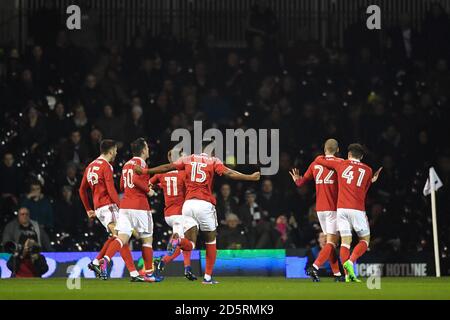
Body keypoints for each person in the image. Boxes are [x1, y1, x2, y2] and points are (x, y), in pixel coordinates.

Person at [134, 140, 261, 284]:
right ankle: (207, 278)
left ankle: (179, 242)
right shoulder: (213, 160)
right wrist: (250, 177)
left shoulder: (188, 159)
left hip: (187, 205)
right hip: (204, 204)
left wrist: (145, 171)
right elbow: (229, 173)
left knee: (190, 243)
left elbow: (167, 167)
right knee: (210, 241)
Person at [315, 143, 382, 282]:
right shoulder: (368, 170)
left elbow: (320, 161)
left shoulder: (341, 164)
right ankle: (350, 262)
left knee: (345, 243)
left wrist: (323, 155)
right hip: (357, 209)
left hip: (341, 209)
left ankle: (347, 275)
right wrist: (372, 180)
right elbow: (365, 189)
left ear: (349, 154)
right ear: (362, 156)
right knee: (365, 240)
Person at [78, 139, 143, 282]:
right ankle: (103, 263)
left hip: (99, 208)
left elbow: (82, 190)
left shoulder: (90, 166)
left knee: (116, 237)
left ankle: (131, 273)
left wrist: (88, 209)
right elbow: (111, 190)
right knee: (122, 235)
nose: (117, 153)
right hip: (109, 206)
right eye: (115, 150)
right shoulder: (106, 166)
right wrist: (121, 206)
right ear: (111, 151)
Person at [101, 138, 162, 282]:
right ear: (143, 150)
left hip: (125, 205)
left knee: (122, 238)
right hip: (139, 206)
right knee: (147, 239)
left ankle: (105, 259)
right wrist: (148, 190)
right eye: (147, 147)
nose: (148, 150)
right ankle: (149, 274)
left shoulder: (126, 164)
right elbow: (135, 180)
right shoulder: (140, 163)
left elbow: (122, 186)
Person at [289, 138, 343, 282]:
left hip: (319, 209)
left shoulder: (315, 163)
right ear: (337, 150)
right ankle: (315, 266)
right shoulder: (340, 163)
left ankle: (337, 274)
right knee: (332, 242)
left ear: (324, 149)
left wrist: (296, 179)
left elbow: (300, 183)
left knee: (331, 242)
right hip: (333, 208)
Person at [149, 149, 199, 281]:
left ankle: (187, 269)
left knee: (184, 242)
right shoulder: (184, 173)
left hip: (169, 215)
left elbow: (149, 184)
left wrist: (158, 187)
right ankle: (163, 261)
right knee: (191, 242)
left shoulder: (161, 173)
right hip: (181, 214)